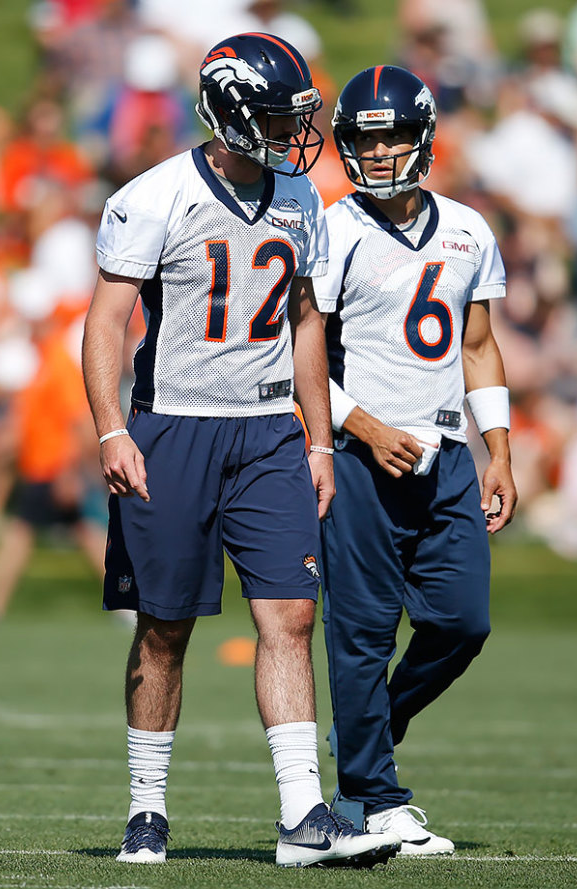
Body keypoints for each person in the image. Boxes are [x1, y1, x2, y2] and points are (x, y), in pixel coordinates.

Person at [81, 32, 401, 868]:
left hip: (267, 434)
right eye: (270, 114)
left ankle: (303, 812)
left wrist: (320, 439)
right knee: (165, 628)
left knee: (291, 614)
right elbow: (106, 320)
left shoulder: (298, 197)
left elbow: (304, 324)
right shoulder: (153, 197)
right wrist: (111, 426)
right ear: (227, 112)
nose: (289, 133)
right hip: (173, 426)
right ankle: (146, 809)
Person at [314, 65, 517, 855]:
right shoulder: (332, 230)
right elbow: (299, 357)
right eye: (366, 136)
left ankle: (373, 729)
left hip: (447, 454)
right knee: (360, 633)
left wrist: (498, 448)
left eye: (395, 133)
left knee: (463, 622)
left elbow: (477, 344)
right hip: (365, 459)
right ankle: (372, 796)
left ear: (426, 136)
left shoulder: (469, 227)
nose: (382, 149)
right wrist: (358, 424)